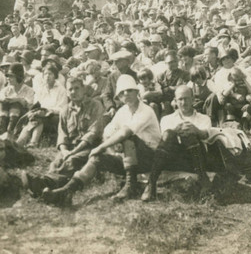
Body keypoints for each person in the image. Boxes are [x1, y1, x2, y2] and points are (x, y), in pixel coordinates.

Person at [41, 75, 161, 206]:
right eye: (122, 92)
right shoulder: (122, 111)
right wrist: (112, 150)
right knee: (97, 158)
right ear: (119, 97)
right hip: (128, 160)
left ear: (137, 92)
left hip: (149, 159)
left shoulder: (146, 110)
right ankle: (67, 191)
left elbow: (125, 132)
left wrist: (102, 147)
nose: (126, 94)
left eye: (130, 90)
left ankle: (130, 186)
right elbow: (108, 132)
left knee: (127, 139)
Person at [21, 76, 104, 196]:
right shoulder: (65, 110)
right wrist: (64, 150)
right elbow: (62, 134)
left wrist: (73, 151)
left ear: (84, 89)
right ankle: (44, 186)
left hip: (89, 147)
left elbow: (93, 133)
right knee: (56, 162)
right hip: (70, 147)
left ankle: (44, 185)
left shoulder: (95, 106)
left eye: (77, 88)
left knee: (71, 161)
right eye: (70, 89)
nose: (74, 92)